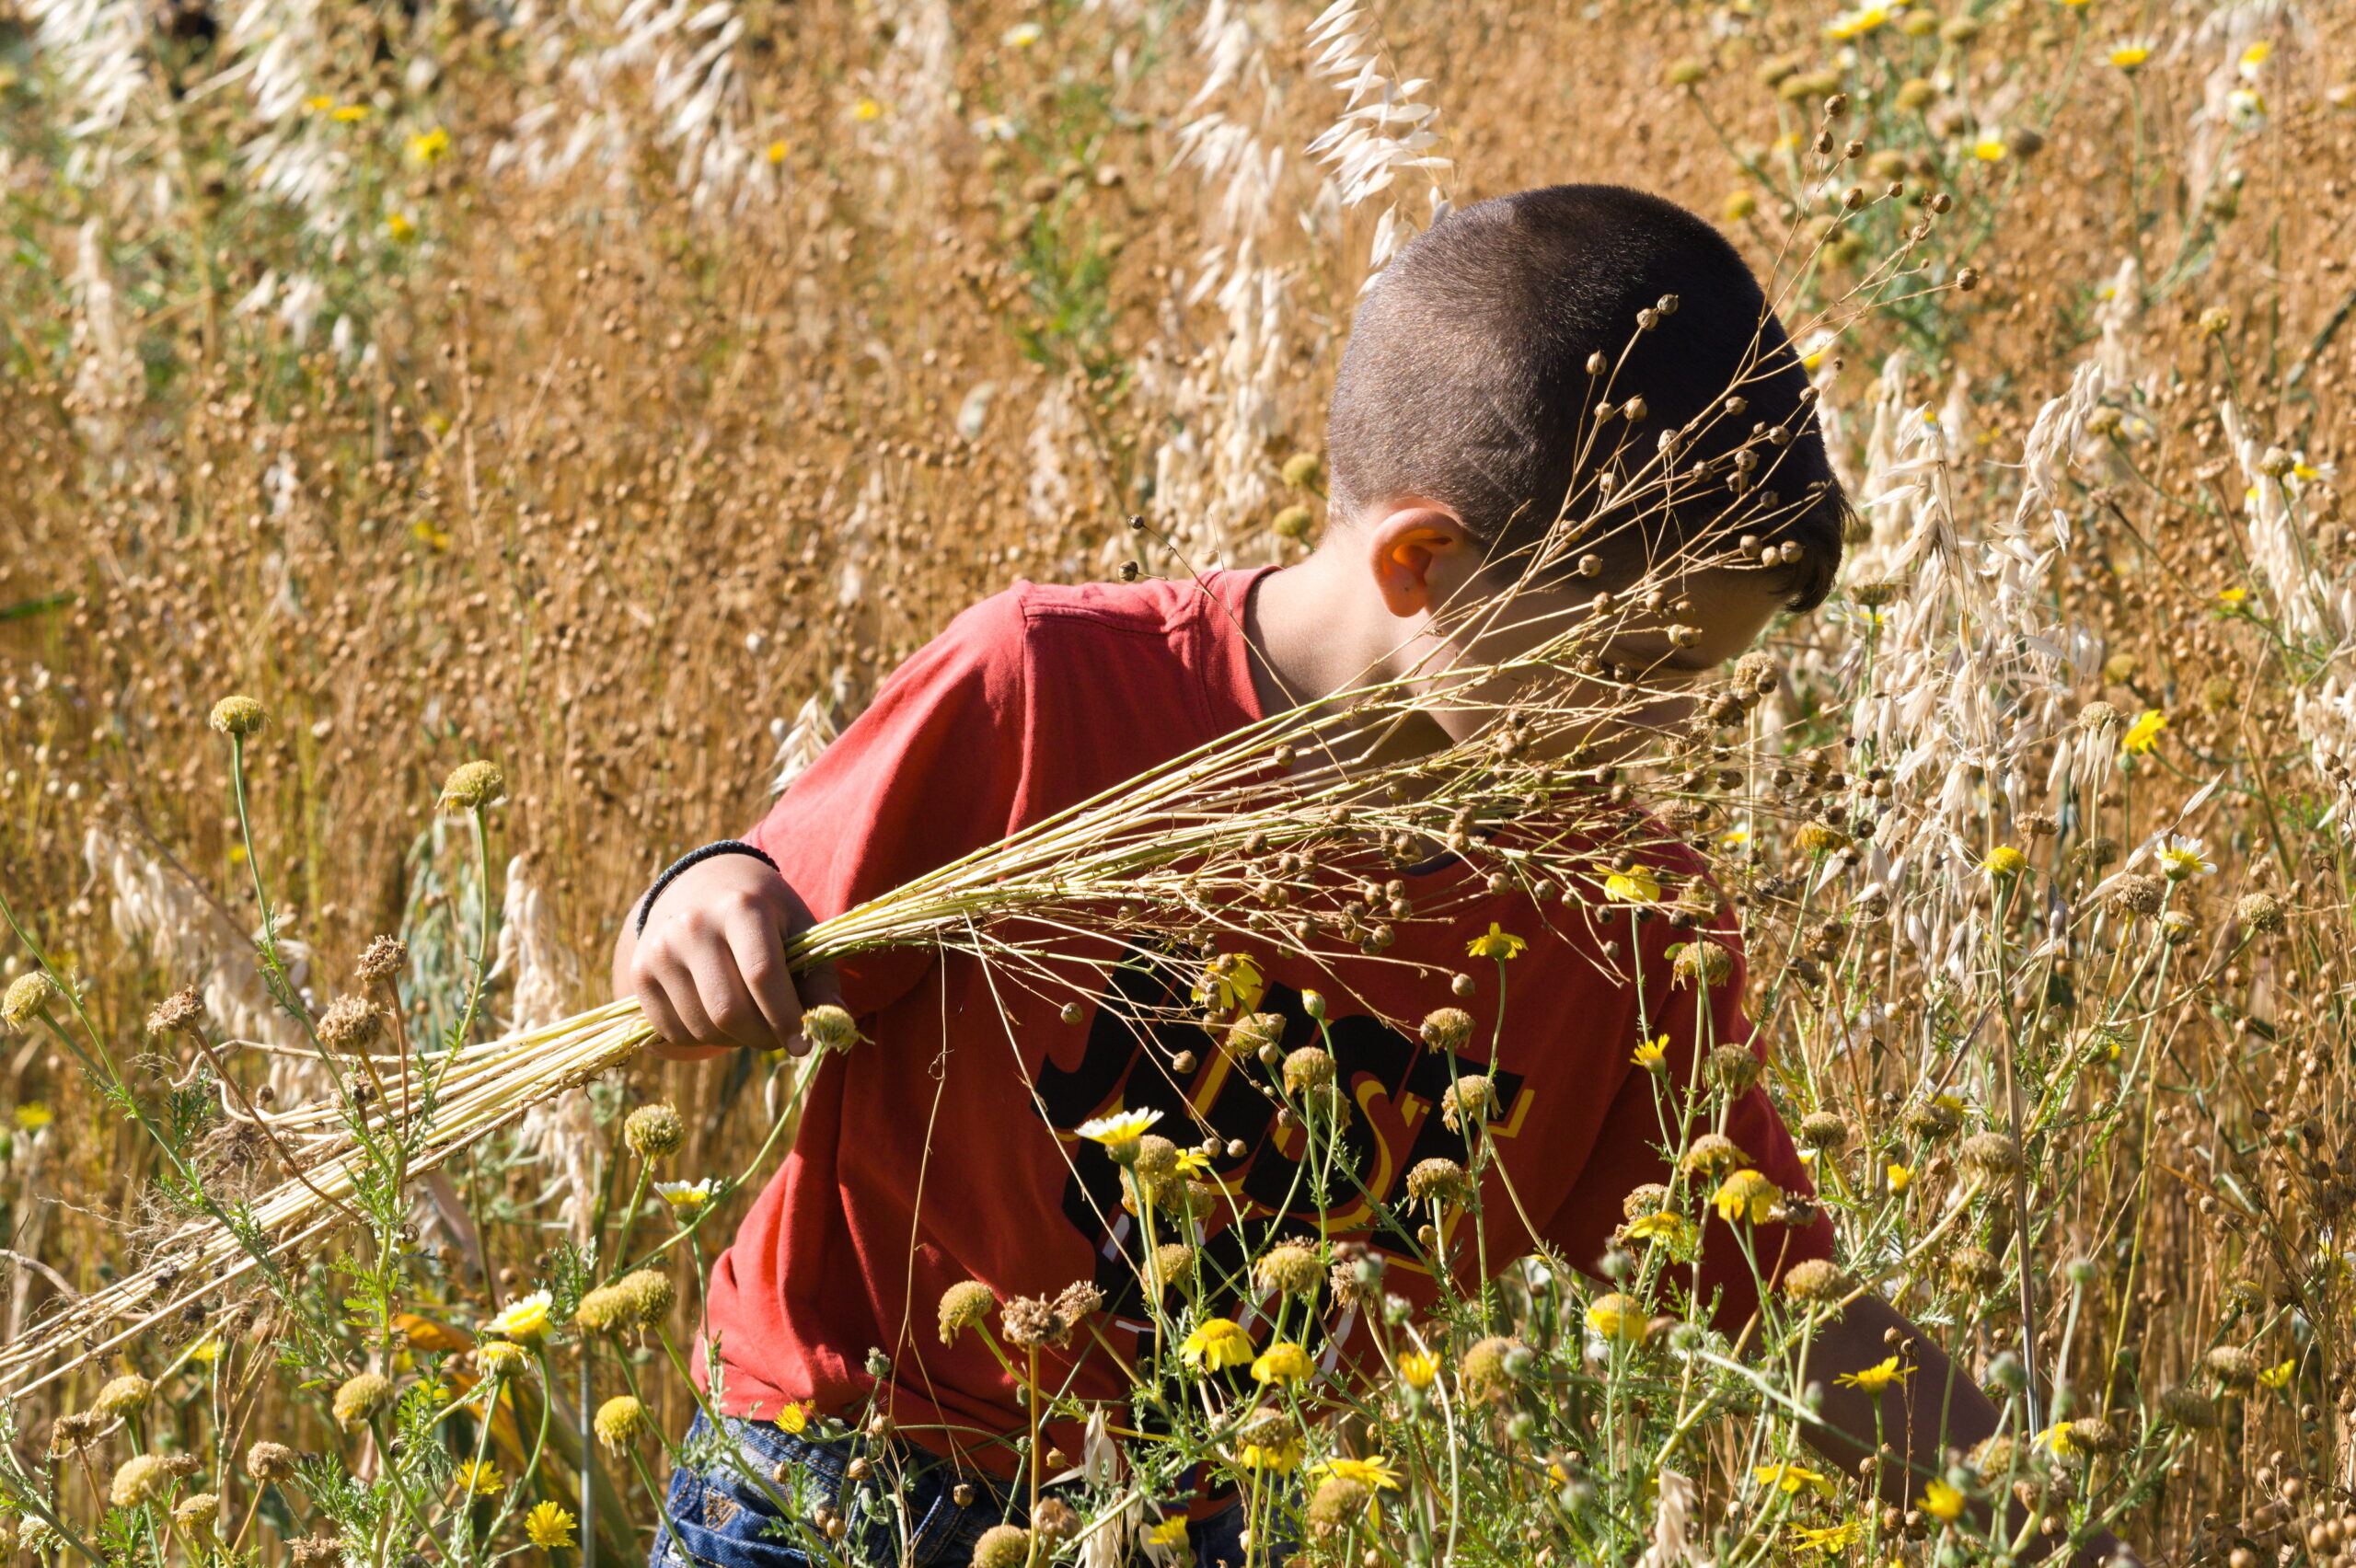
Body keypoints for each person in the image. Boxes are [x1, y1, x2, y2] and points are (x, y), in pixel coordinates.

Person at [614, 185, 2131, 1568]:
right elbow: (747, 922)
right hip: (835, 1482)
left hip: (1201, 1520)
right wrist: (696, 906)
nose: (1667, 730)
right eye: (1638, 669)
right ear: (1424, 564)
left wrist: (2043, 1516)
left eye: (1699, 681)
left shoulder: (1621, 921)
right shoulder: (1052, 692)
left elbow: (1777, 1296)